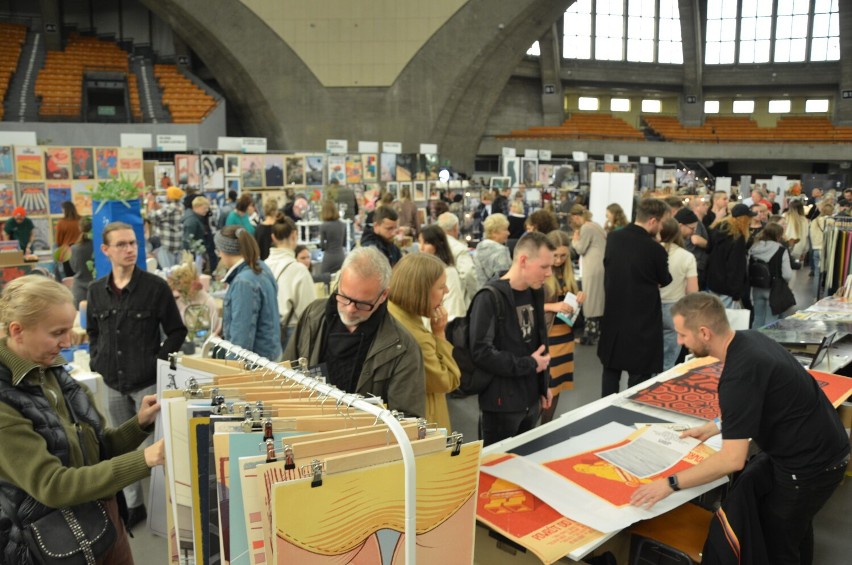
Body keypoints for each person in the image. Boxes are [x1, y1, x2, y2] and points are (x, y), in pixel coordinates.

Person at [631, 293, 850, 565]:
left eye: (682, 335)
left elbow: (732, 460)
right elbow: (763, 398)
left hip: (810, 466)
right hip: (826, 447)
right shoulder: (750, 340)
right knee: (796, 530)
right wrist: (716, 427)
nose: (679, 342)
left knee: (779, 543)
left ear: (704, 333)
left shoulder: (737, 375)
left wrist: (670, 483)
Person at [0, 275, 166, 562]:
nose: (67, 343)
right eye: (56, 333)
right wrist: (145, 460)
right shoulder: (5, 401)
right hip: (52, 544)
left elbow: (96, 449)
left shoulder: (52, 372)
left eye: (69, 330)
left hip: (101, 524)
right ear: (18, 331)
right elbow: (53, 485)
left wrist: (140, 424)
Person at [86, 221, 186, 529]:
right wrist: (96, 358)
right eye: (122, 244)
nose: (130, 249)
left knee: (157, 448)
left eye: (133, 243)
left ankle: (164, 512)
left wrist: (156, 361)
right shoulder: (95, 291)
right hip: (113, 382)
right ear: (106, 250)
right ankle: (133, 506)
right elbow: (93, 331)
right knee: (120, 446)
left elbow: (176, 331)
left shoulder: (155, 288)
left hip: (147, 383)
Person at [284, 247, 425, 418]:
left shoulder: (402, 347)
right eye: (344, 297)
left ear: (383, 295)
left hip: (365, 442)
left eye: (362, 304)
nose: (350, 309)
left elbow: (408, 421)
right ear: (340, 280)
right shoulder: (312, 316)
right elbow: (286, 375)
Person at [470, 232, 554, 446]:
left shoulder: (536, 292)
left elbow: (538, 343)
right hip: (501, 405)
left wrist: (544, 385)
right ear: (523, 260)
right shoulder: (489, 297)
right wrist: (530, 364)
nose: (549, 273)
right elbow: (481, 353)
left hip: (531, 400)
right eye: (544, 267)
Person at [598, 198, 672, 397]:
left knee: (610, 371)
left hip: (614, 316)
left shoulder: (613, 238)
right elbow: (664, 279)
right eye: (662, 222)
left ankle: (603, 413)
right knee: (639, 379)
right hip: (643, 321)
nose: (663, 226)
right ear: (653, 221)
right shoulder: (655, 249)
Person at [387, 253, 459, 430]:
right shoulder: (415, 337)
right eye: (441, 287)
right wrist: (439, 333)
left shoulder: (392, 312)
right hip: (426, 424)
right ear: (421, 291)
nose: (447, 291)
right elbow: (448, 380)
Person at [215, 225, 281, 361]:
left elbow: (241, 339)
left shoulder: (243, 283)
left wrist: (232, 374)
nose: (219, 256)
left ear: (225, 251)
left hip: (255, 367)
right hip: (270, 359)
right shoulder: (262, 268)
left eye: (219, 251)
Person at [541, 230, 584, 424]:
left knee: (556, 388)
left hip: (565, 336)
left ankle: (544, 429)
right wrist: (553, 305)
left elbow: (569, 308)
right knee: (545, 388)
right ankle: (532, 434)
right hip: (547, 338)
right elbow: (528, 307)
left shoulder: (567, 274)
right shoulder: (541, 272)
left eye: (563, 256)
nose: (558, 260)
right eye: (555, 255)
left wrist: (578, 300)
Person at [265, 215, 316, 352]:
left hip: (265, 334)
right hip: (290, 334)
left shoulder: (262, 267)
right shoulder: (299, 270)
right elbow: (309, 314)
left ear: (273, 237)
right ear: (294, 235)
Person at [659, 218, 698, 371]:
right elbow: (693, 290)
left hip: (650, 308)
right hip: (675, 309)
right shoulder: (687, 257)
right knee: (667, 362)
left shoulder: (650, 251)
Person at [568, 204, 606, 345]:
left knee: (590, 300)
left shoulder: (586, 228)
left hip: (592, 267)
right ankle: (597, 331)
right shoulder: (595, 225)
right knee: (598, 300)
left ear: (576, 217)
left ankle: (590, 334)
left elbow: (580, 249)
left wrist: (574, 239)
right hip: (600, 266)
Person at [707, 203, 754, 306]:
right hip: (727, 289)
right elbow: (735, 267)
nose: (750, 221)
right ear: (743, 219)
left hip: (713, 283)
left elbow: (708, 250)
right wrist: (736, 293)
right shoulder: (737, 238)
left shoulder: (717, 229)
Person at [748, 222, 793, 328]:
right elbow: (787, 274)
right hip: (774, 289)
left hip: (756, 287)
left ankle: (756, 343)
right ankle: (767, 343)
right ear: (778, 235)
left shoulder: (754, 248)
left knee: (758, 318)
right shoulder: (781, 250)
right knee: (771, 322)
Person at [418, 224, 466, 319]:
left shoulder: (448, 272)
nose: (421, 248)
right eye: (420, 242)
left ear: (438, 244)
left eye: (427, 243)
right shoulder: (421, 271)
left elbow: (454, 308)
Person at [167, 258, 221, 338]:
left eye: (185, 290)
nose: (183, 294)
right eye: (180, 291)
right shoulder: (179, 302)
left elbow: (214, 328)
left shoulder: (208, 302)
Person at [436, 212, 478, 306]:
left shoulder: (433, 246)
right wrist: (475, 297)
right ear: (456, 227)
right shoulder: (459, 248)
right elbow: (468, 273)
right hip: (456, 301)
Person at [147, 186, 185, 269]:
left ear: (171, 196)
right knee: (176, 271)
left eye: (168, 194)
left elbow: (151, 217)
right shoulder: (180, 206)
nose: (166, 196)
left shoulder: (170, 208)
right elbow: (164, 213)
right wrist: (156, 205)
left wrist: (150, 205)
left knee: (167, 272)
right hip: (176, 244)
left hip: (167, 245)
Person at [474, 213, 511, 286]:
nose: (508, 233)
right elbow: (504, 280)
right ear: (494, 232)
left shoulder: (479, 247)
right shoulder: (501, 251)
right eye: (505, 229)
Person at [182, 196, 217, 272]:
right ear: (196, 207)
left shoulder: (196, 218)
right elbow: (188, 240)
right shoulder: (192, 221)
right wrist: (198, 256)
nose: (207, 210)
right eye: (205, 208)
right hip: (195, 256)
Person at [68, 216, 94, 308]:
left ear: (80, 228)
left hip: (79, 291)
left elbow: (74, 269)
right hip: (97, 290)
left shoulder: (74, 249)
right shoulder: (101, 248)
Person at [809, 202, 833, 296]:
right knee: (828, 275)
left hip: (816, 249)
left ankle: (815, 296)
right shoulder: (832, 221)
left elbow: (811, 235)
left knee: (817, 274)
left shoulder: (814, 221)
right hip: (827, 250)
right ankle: (826, 296)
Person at [54, 201, 81, 278]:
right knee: (80, 274)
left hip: (66, 251)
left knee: (69, 276)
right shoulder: (81, 220)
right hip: (80, 249)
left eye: (62, 210)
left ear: (65, 210)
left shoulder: (61, 223)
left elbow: (58, 241)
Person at [319, 199, 347, 276]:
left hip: (329, 258)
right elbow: (344, 243)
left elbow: (322, 246)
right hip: (341, 256)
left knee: (324, 280)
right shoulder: (342, 224)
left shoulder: (323, 226)